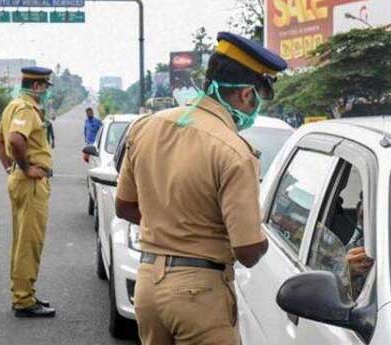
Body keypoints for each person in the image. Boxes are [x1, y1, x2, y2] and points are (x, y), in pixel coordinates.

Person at [115, 32, 287, 345]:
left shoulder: (145, 127)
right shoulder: (235, 151)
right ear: (247, 94)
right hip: (199, 295)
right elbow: (247, 251)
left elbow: (124, 206)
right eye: (258, 99)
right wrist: (265, 240)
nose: (256, 107)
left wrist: (170, 226)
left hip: (148, 286)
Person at [0, 66, 56, 318]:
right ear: (38, 86)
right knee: (29, 242)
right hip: (30, 183)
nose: (45, 92)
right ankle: (23, 300)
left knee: (22, 240)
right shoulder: (25, 109)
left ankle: (22, 293)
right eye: (45, 87)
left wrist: (10, 167)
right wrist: (25, 168)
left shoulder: (12, 105)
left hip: (20, 179)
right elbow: (15, 140)